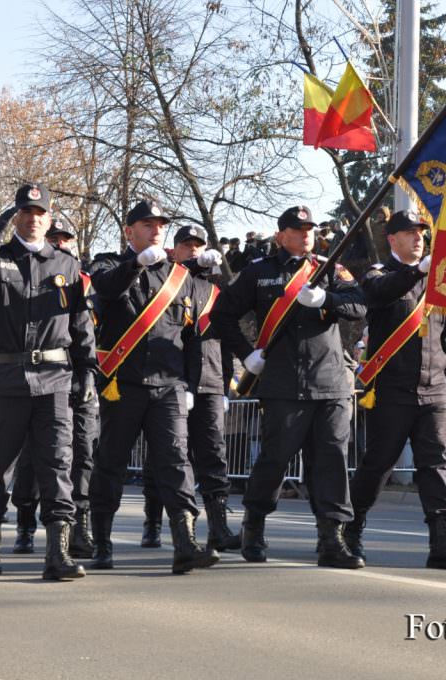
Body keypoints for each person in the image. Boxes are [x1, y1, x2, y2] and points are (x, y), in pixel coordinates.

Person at [0, 182, 97, 581]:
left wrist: (87, 369)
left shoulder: (66, 265)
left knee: (57, 464)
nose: (33, 219)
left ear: (49, 219)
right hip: (5, 377)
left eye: (40, 213)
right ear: (16, 216)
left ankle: (58, 553)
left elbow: (81, 324)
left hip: (54, 379)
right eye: (26, 212)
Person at [212, 205, 367, 569]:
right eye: (297, 229)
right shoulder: (258, 272)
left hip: (329, 379)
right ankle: (254, 527)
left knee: (331, 458)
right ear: (281, 234)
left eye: (310, 228)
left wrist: (327, 299)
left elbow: (359, 305)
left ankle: (331, 539)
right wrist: (247, 355)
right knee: (275, 459)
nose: (306, 234)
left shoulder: (329, 270)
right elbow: (222, 315)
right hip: (282, 381)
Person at [87, 199, 218, 575]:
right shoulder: (108, 263)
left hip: (169, 386)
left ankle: (185, 543)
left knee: (176, 463)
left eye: (160, 224)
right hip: (123, 385)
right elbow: (106, 288)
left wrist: (192, 385)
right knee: (110, 463)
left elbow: (194, 336)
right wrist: (134, 265)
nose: (156, 229)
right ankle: (102, 542)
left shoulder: (180, 277)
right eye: (147, 224)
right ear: (129, 231)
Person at [345, 210, 446, 570]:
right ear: (392, 239)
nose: (418, 238)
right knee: (378, 463)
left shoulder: (440, 281)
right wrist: (416, 271)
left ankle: (441, 542)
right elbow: (377, 293)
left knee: (436, 464)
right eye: (408, 232)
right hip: (393, 388)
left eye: (421, 232)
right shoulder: (378, 273)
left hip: (433, 387)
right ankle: (351, 531)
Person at [139, 225, 240, 552]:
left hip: (209, 381)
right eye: (187, 245)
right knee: (165, 455)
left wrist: (224, 386)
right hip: (174, 379)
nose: (193, 250)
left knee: (213, 455)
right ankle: (153, 522)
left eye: (198, 245)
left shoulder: (214, 291)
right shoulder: (166, 284)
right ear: (175, 249)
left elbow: (223, 340)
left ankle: (219, 527)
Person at [9, 220, 100, 559]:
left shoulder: (83, 279)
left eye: (65, 239)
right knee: (37, 456)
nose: (60, 243)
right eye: (53, 239)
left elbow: (88, 330)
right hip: (48, 377)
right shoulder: (35, 282)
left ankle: (78, 529)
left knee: (82, 455)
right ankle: (24, 524)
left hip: (80, 379)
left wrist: (89, 374)